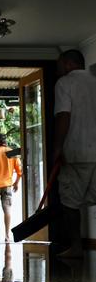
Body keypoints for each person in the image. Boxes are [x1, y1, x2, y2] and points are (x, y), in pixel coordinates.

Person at [53, 49, 96, 258]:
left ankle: (76, 247)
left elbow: (63, 115)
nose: (59, 67)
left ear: (68, 63)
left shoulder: (65, 83)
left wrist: (58, 147)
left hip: (77, 152)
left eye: (60, 63)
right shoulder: (94, 81)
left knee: (70, 201)